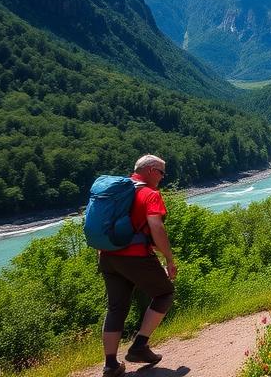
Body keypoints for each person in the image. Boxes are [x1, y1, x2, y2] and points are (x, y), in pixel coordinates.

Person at [98, 154, 178, 377]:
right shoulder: (149, 194)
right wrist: (169, 259)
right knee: (165, 293)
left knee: (116, 308)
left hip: (107, 256)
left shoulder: (114, 192)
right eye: (162, 172)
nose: (162, 177)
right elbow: (156, 227)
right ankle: (139, 345)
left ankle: (111, 364)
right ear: (151, 170)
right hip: (135, 256)